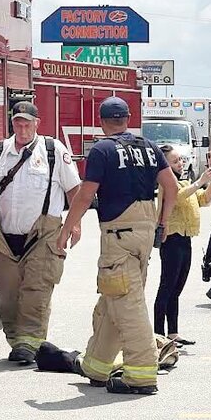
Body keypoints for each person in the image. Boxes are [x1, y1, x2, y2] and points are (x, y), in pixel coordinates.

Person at [57, 96, 178, 395]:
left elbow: (85, 197)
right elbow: (171, 187)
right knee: (116, 298)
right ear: (127, 118)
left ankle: (142, 373)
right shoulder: (149, 147)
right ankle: (97, 365)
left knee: (128, 304)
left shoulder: (102, 150)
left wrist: (66, 228)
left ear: (102, 121)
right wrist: (162, 223)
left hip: (118, 234)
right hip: (146, 231)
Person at [0, 101, 82, 364]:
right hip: (5, 236)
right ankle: (16, 339)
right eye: (17, 123)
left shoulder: (53, 151)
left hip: (43, 234)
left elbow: (74, 190)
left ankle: (28, 344)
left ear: (37, 124)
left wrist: (74, 224)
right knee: (5, 293)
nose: (22, 128)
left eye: (27, 123)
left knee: (37, 288)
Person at [153, 145, 211, 346]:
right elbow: (177, 197)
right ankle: (158, 334)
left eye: (180, 160)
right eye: (175, 161)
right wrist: (201, 181)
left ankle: (172, 332)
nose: (180, 164)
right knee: (166, 287)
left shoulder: (184, 182)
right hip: (171, 238)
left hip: (185, 238)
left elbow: (204, 200)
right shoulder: (167, 182)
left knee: (176, 289)